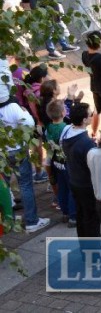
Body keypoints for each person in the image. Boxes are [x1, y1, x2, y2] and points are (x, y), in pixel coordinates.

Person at [0, 73, 51, 233]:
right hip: (18, 149)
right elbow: (29, 123)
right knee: (25, 184)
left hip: (2, 152)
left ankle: (7, 219)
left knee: (4, 185)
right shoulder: (12, 107)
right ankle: (31, 221)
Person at [61, 101, 98, 237]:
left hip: (74, 180)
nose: (92, 116)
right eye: (90, 114)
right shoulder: (86, 143)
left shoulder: (66, 131)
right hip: (86, 184)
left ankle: (83, 245)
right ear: (84, 120)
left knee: (81, 215)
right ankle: (93, 248)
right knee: (91, 218)